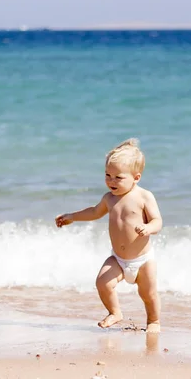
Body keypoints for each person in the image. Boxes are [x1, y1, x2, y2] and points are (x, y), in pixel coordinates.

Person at [55, 138, 163, 333]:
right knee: (102, 283)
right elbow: (94, 212)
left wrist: (148, 228)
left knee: (148, 294)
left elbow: (158, 221)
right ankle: (115, 312)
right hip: (119, 259)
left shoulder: (144, 196)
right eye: (107, 175)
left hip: (143, 260)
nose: (111, 181)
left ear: (136, 177)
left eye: (118, 177)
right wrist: (72, 217)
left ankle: (153, 322)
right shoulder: (109, 199)